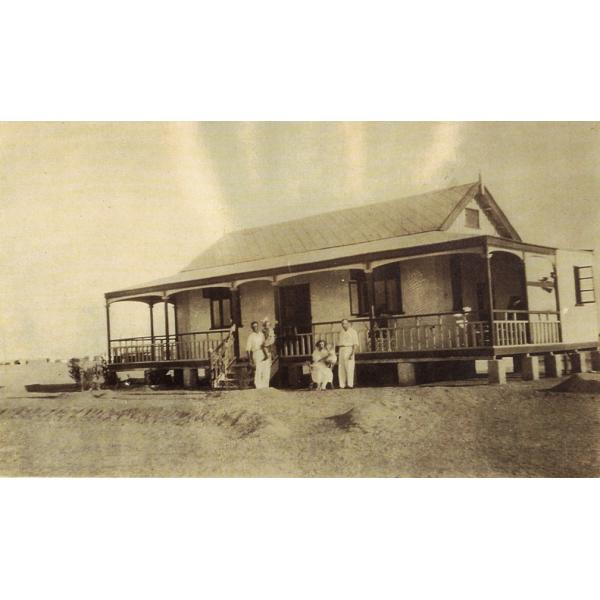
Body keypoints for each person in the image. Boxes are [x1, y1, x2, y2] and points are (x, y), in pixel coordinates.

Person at [246, 320, 270, 389]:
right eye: (253, 327)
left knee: (265, 368)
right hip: (256, 353)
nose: (255, 328)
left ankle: (265, 385)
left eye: (256, 326)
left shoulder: (261, 334)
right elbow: (248, 349)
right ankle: (258, 386)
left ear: (258, 327)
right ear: (252, 328)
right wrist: (250, 360)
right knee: (258, 369)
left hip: (263, 352)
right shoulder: (251, 336)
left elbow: (265, 343)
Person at [337, 318, 359, 388]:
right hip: (341, 350)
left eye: (345, 323)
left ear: (348, 323)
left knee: (349, 367)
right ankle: (342, 384)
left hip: (349, 349)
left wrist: (352, 353)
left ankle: (350, 384)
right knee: (341, 367)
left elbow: (355, 344)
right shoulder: (341, 332)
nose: (344, 325)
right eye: (342, 324)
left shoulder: (353, 332)